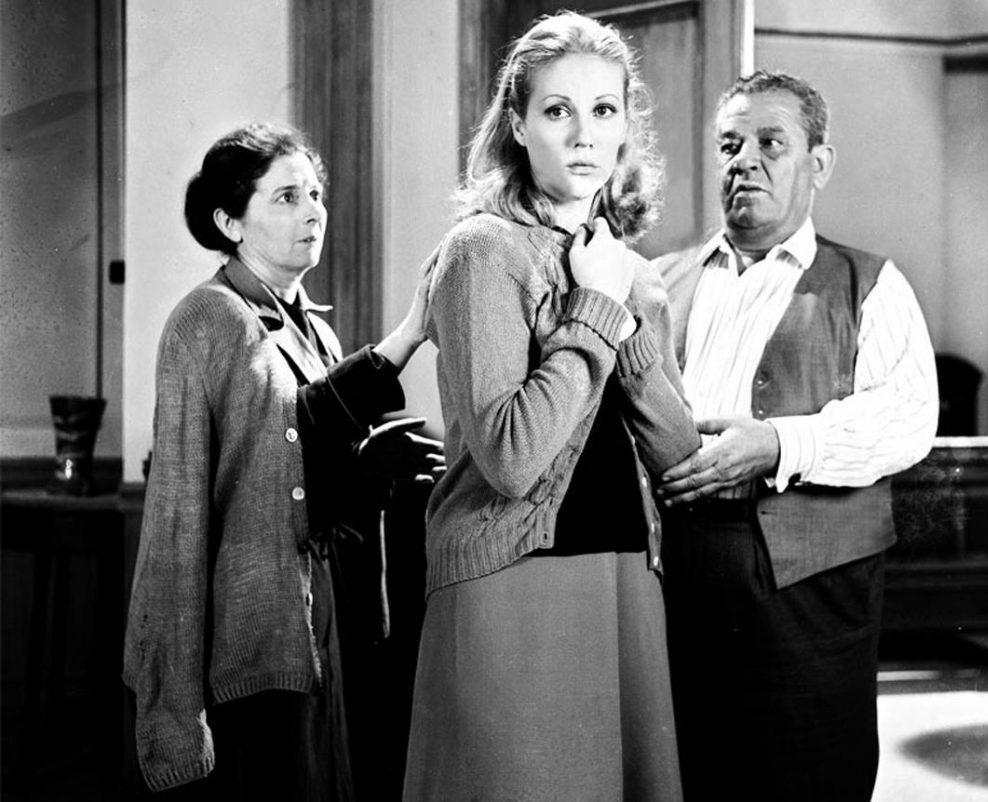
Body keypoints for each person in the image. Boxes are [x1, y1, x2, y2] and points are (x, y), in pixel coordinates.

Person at [402, 13, 700, 801]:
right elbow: (510, 458)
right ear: (518, 124)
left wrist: (624, 318)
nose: (584, 134)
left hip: (624, 574)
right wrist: (594, 309)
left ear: (626, 125)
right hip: (511, 583)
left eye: (604, 110)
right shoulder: (482, 250)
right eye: (557, 110)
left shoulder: (631, 273)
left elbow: (676, 453)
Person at [122, 122, 443, 800]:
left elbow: (305, 463)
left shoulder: (316, 327)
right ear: (229, 222)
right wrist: (172, 708)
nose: (313, 211)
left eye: (316, 194)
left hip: (327, 619)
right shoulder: (207, 319)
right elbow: (178, 516)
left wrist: (369, 469)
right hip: (254, 634)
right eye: (287, 197)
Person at [656, 70, 939, 802]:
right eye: (729, 145)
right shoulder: (659, 282)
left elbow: (909, 417)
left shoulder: (870, 283)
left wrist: (781, 444)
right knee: (687, 770)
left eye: (770, 143)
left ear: (819, 163)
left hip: (812, 587)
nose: (744, 161)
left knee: (809, 772)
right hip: (674, 569)